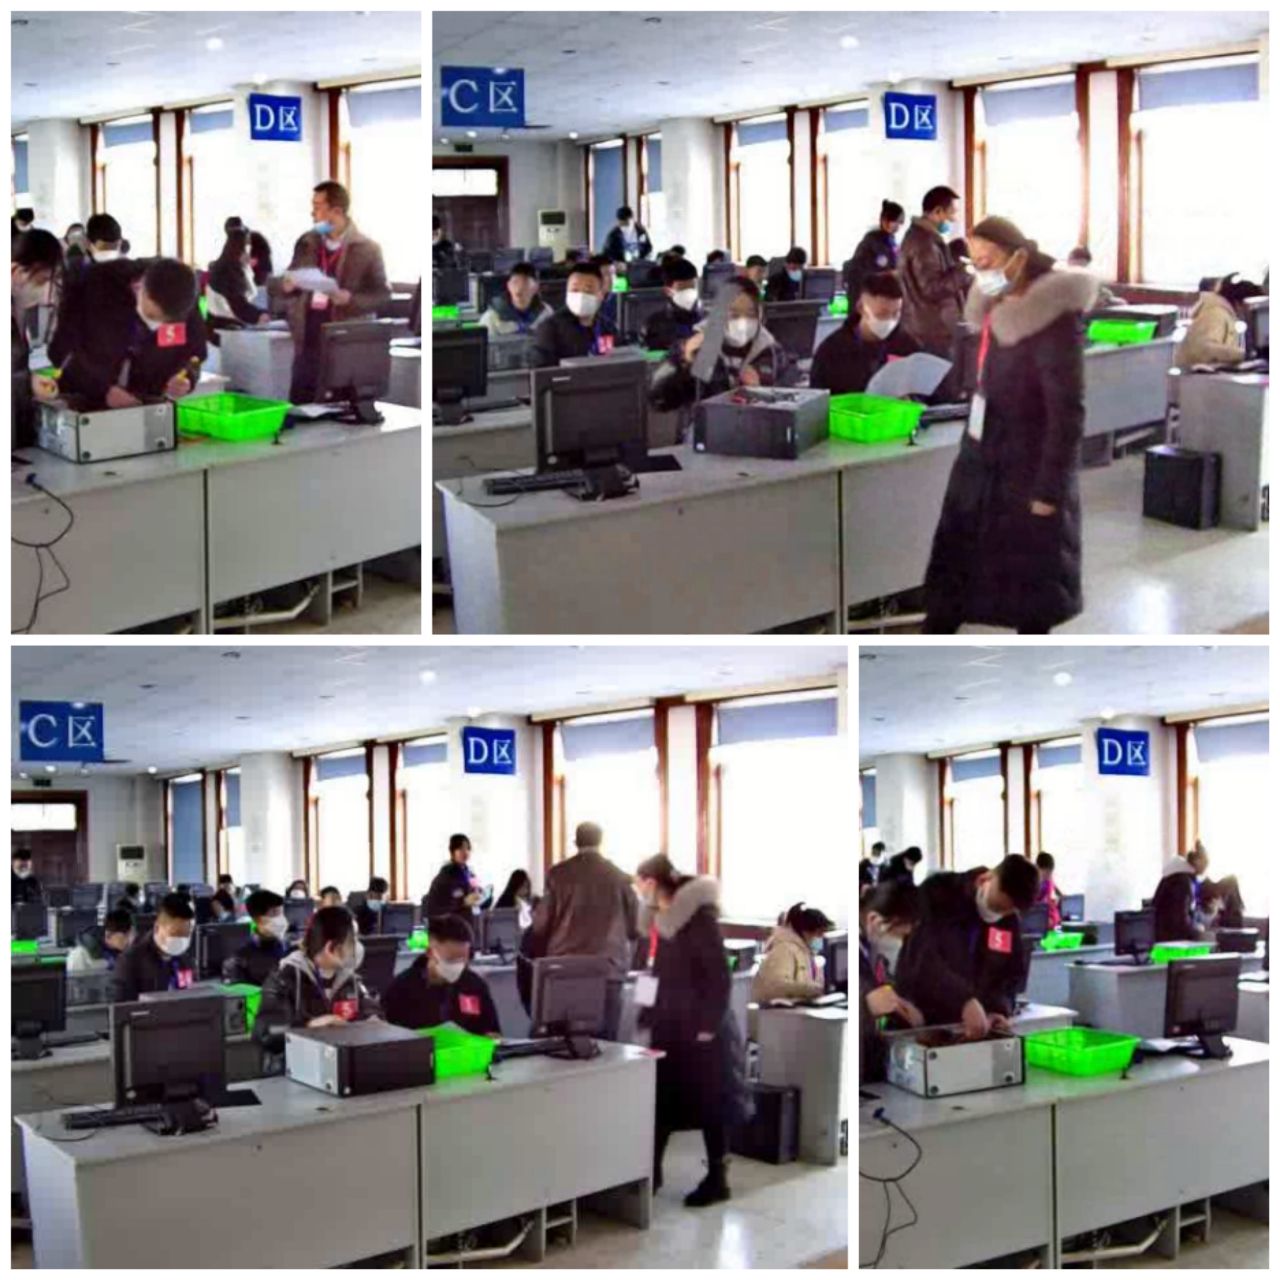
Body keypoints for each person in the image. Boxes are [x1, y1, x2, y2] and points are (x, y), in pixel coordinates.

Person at [923, 215, 1096, 635]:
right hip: (980, 454)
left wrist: (1049, 489)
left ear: (1018, 257)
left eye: (988, 261)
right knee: (954, 568)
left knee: (1030, 584)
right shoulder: (993, 304)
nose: (981, 271)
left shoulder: (1050, 316)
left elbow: (1067, 411)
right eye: (975, 262)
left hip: (1027, 465)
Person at [634, 855, 750, 1207]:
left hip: (702, 1032)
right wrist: (644, 1013)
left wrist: (707, 1026)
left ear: (652, 883)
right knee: (661, 1100)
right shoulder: (659, 921)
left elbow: (719, 976)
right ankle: (651, 1174)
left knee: (711, 1105)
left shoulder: (697, 919)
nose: (638, 890)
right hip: (669, 1026)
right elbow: (651, 971)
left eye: (640, 883)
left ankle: (717, 1178)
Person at [894, 855, 1041, 1037]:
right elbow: (923, 959)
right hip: (921, 1021)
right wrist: (964, 999)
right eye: (996, 907)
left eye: (1006, 911)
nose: (998, 915)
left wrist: (998, 1009)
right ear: (985, 879)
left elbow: (1008, 975)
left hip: (971, 1028)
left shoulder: (1007, 921)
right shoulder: (938, 892)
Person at [44, 255, 207, 412]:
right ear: (139, 287)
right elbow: (61, 353)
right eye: (151, 316)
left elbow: (195, 354)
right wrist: (102, 390)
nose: (155, 327)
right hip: (86, 404)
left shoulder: (183, 293)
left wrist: (187, 377)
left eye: (167, 321)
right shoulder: (93, 285)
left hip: (148, 406)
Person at [527, 822, 639, 1039]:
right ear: (601, 841)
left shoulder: (558, 875)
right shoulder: (619, 877)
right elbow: (636, 927)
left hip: (565, 969)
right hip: (608, 968)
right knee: (608, 1046)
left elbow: (540, 925)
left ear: (575, 842)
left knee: (561, 1043)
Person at [283, 180, 390, 402]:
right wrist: (287, 286)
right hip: (307, 340)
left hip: (343, 343)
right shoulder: (307, 242)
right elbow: (287, 279)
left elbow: (382, 295)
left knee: (339, 407)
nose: (312, 213)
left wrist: (350, 299)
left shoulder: (367, 249)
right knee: (300, 406)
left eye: (318, 206)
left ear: (337, 211)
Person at [649, 278, 795, 412]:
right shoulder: (700, 347)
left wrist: (762, 395)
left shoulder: (771, 350)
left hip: (756, 427)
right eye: (734, 314)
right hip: (705, 428)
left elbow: (792, 402)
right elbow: (659, 401)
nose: (743, 322)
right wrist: (683, 360)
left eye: (751, 314)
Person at [256, 906, 380, 1049]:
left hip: (340, 1058)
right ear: (331, 948)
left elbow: (373, 1011)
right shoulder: (285, 977)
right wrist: (309, 1026)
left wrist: (372, 1021)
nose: (357, 947)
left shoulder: (349, 978)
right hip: (299, 1059)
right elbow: (265, 1032)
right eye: (352, 941)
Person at [384, 913, 501, 1037]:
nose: (458, 966)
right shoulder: (402, 989)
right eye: (451, 960)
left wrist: (490, 1038)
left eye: (463, 959)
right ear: (429, 952)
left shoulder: (474, 985)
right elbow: (389, 1037)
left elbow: (493, 1033)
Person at [810, 271, 920, 395]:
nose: (890, 321)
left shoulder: (907, 346)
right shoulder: (832, 351)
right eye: (881, 314)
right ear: (861, 307)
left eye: (895, 314)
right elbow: (818, 400)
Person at [859, 881, 924, 1083]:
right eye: (899, 935)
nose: (900, 944)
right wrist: (865, 1004)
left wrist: (900, 1004)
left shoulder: (872, 950)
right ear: (874, 920)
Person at [899, 185, 970, 357]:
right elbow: (932, 288)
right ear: (938, 211)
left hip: (928, 326)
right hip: (931, 329)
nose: (953, 219)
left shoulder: (925, 238)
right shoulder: (924, 243)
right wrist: (964, 271)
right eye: (951, 213)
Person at [11, 229, 62, 448]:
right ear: (16, 272)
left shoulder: (37, 311)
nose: (48, 293)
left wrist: (43, 374)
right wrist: (27, 382)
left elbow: (39, 354)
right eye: (42, 281)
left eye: (54, 281)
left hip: (24, 433)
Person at [111, 892, 197, 1001]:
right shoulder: (130, 961)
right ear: (157, 928)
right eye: (175, 934)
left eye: (186, 935)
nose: (181, 940)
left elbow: (188, 994)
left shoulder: (184, 960)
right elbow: (124, 1007)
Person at [531, 261, 618, 367]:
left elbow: (615, 362)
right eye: (575, 290)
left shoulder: (607, 327)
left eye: (588, 291)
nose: (581, 295)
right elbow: (544, 372)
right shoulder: (550, 329)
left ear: (601, 295)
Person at [1175, 273, 1263, 370]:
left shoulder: (1219, 312)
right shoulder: (1216, 314)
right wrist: (1244, 355)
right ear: (1240, 302)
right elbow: (1205, 348)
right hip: (1197, 376)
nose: (1249, 311)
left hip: (1197, 375)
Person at [752, 903, 834, 1003]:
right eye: (818, 933)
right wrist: (812, 989)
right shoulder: (784, 950)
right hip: (776, 1010)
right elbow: (777, 986)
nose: (820, 938)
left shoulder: (804, 951)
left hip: (795, 1008)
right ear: (805, 931)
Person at [223, 889, 291, 986]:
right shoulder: (243, 954)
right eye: (274, 913)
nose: (281, 919)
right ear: (257, 919)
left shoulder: (290, 946)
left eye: (282, 913)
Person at [207, 227, 269, 326]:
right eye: (247, 248)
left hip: (236, 320)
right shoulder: (224, 271)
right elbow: (238, 305)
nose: (249, 254)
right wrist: (258, 315)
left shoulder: (239, 268)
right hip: (225, 324)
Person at [844, 199, 905, 299]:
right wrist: (885, 274)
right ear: (884, 220)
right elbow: (859, 270)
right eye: (895, 222)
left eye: (900, 223)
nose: (898, 226)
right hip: (871, 294)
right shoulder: (871, 241)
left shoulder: (892, 242)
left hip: (887, 293)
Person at [641, 256, 702, 351]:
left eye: (692, 287)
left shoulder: (708, 318)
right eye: (682, 288)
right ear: (667, 291)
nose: (689, 292)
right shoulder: (655, 325)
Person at [479, 261, 553, 336]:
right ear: (508, 286)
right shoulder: (491, 318)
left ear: (536, 287)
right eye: (515, 283)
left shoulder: (546, 313)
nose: (518, 290)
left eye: (525, 283)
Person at [1153, 849, 1208, 941]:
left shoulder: (1173, 876)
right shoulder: (1182, 882)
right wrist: (1198, 930)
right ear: (1196, 861)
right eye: (1205, 862)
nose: (1206, 867)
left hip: (1161, 936)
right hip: (1171, 940)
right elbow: (1181, 920)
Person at [67, 908, 137, 974]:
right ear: (109, 935)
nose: (127, 941)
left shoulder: (114, 950)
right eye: (125, 937)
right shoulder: (82, 953)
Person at [591, 254, 621, 329]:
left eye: (613, 273)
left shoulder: (618, 299)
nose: (612, 278)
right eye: (607, 274)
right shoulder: (586, 302)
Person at [1034, 852, 1062, 929]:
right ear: (1037, 868)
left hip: (1047, 912)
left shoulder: (1049, 879)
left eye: (1050, 872)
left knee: (1054, 918)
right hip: (1036, 913)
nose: (1048, 875)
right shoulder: (1031, 881)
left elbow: (1054, 888)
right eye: (1046, 872)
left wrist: (1061, 897)